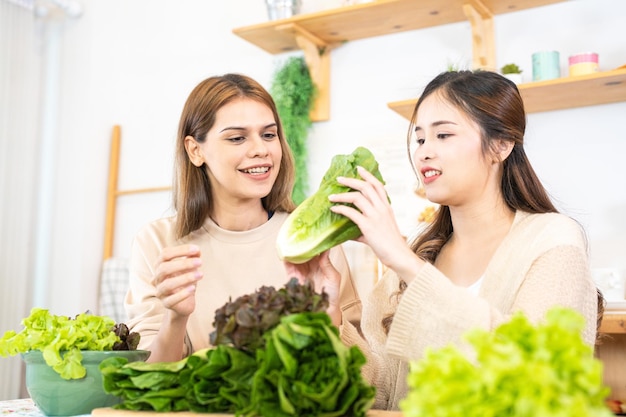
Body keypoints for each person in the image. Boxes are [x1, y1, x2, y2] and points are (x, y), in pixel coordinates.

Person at [286, 70, 600, 410]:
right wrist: (328, 317)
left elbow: (531, 379)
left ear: (501, 145)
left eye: (444, 135)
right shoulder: (420, 256)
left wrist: (404, 261)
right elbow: (380, 392)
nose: (424, 152)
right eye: (420, 139)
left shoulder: (553, 240)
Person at [124, 73, 362, 363]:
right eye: (237, 138)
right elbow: (149, 378)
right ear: (195, 150)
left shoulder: (312, 241)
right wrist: (176, 317)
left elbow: (360, 372)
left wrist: (329, 313)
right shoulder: (157, 242)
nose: (261, 150)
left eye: (268, 134)